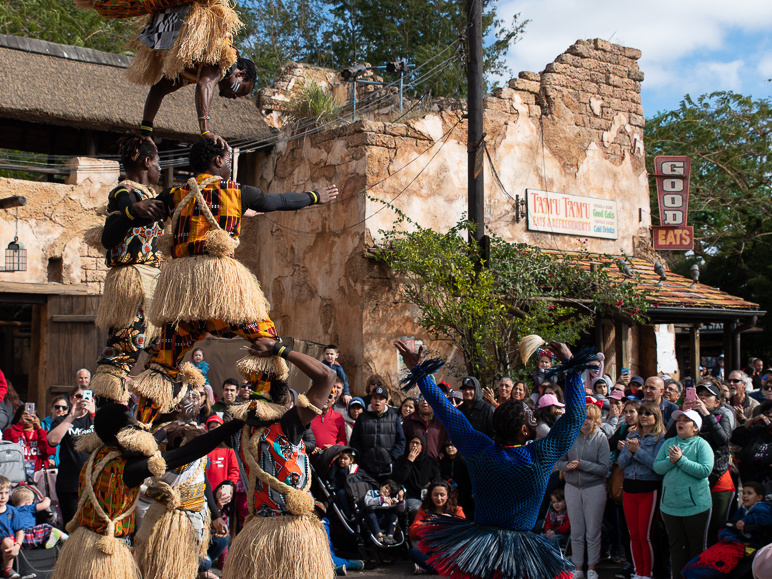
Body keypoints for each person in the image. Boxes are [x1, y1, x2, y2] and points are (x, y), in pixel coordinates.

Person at [130, 138, 338, 420]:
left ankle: (141, 426)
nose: (229, 166)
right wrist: (316, 196)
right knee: (266, 340)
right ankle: (262, 413)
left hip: (184, 297)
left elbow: (143, 211)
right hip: (222, 291)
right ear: (217, 161)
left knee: (162, 362)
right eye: (228, 160)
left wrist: (126, 209)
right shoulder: (236, 192)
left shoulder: (175, 194)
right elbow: (281, 201)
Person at [395, 339, 589, 579]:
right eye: (530, 417)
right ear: (525, 432)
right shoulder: (539, 455)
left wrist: (420, 372)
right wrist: (571, 365)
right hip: (521, 554)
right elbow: (576, 416)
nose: (534, 417)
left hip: (480, 549)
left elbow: (445, 411)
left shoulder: (480, 450)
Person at [51, 400, 243, 579]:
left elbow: (134, 449)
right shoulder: (126, 468)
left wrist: (164, 431)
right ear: (125, 432)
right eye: (132, 424)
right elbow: (186, 454)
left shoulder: (98, 454)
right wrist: (236, 423)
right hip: (103, 553)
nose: (137, 427)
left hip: (81, 545)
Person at [222, 337, 337, 579]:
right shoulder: (240, 429)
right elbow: (326, 377)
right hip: (261, 535)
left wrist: (279, 349)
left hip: (288, 534)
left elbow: (327, 377)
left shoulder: (286, 425)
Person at [90, 134, 165, 406]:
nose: (161, 168)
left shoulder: (155, 197)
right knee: (121, 352)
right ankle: (110, 422)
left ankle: (149, 419)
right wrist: (132, 211)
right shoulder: (123, 191)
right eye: (158, 161)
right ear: (146, 162)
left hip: (153, 286)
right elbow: (121, 209)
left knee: (166, 353)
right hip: (131, 284)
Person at [653, 409, 714, 579]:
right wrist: (670, 461)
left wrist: (681, 460)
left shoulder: (701, 444)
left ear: (695, 428)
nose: (680, 422)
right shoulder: (669, 443)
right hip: (670, 506)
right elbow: (657, 467)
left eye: (685, 420)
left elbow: (705, 470)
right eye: (679, 419)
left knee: (696, 548)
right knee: (676, 547)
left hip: (696, 507)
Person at [557, 403, 610, 579]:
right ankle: (578, 567)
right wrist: (567, 465)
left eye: (588, 418)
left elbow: (604, 469)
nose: (584, 421)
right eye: (582, 417)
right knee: (577, 530)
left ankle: (592, 567)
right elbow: (560, 462)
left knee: (593, 531)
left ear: (595, 421)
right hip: (572, 487)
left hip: (594, 488)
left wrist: (581, 464)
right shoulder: (570, 437)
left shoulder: (601, 438)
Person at [682, 481, 772, 579]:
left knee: (714, 562)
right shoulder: (743, 508)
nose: (745, 496)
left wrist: (745, 521)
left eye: (749, 493)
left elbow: (763, 519)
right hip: (734, 540)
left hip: (747, 544)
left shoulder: (762, 508)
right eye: (744, 493)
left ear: (759, 497)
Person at [616, 401, 666, 579]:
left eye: (648, 413)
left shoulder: (661, 439)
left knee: (645, 535)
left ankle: (648, 573)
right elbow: (621, 463)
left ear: (656, 417)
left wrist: (637, 451)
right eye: (642, 413)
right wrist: (629, 450)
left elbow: (657, 466)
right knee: (633, 535)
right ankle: (638, 572)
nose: (644, 416)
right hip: (629, 488)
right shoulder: (633, 435)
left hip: (649, 488)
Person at [686, 378, 734, 544]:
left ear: (718, 401)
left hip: (717, 476)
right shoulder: (689, 416)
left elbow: (723, 440)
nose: (703, 398)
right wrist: (684, 411)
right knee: (695, 528)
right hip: (693, 477)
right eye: (700, 394)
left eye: (708, 395)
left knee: (716, 526)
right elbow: (669, 437)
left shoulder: (722, 416)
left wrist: (706, 414)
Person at [46, 386, 96, 525]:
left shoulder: (95, 419)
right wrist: (71, 416)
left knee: (93, 527)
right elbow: (52, 440)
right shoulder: (62, 420)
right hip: (69, 484)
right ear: (71, 399)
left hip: (93, 482)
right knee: (72, 527)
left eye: (86, 396)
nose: (81, 400)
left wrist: (93, 413)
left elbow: (106, 440)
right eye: (78, 397)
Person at [409, 480, 465, 574]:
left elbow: (465, 532)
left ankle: (430, 568)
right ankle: (445, 569)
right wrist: (425, 524)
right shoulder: (424, 510)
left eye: (442, 495)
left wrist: (452, 522)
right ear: (430, 496)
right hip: (432, 551)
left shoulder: (457, 510)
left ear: (448, 496)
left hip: (450, 550)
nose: (439, 498)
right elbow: (412, 533)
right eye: (435, 495)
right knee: (414, 552)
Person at [350, 385, 405, 480]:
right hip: (366, 468)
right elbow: (354, 441)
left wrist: (392, 458)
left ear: (386, 401)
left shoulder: (394, 418)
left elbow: (401, 441)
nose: (377, 401)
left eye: (381, 398)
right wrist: (362, 457)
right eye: (375, 398)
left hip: (388, 469)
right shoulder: (362, 418)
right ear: (371, 400)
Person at [392, 434, 440, 517]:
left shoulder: (429, 462)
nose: (414, 445)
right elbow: (398, 479)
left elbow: (437, 478)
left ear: (423, 446)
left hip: (428, 496)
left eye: (417, 443)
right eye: (412, 442)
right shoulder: (401, 460)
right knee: (417, 508)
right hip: (410, 496)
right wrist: (409, 462)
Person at [729, 400, 772, 484]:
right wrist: (750, 421)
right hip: (749, 483)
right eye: (768, 412)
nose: (770, 415)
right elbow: (735, 438)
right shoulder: (756, 431)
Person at [402, 394, 447, 465]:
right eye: (421, 400)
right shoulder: (409, 420)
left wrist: (441, 456)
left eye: (428, 400)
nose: (425, 402)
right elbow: (403, 442)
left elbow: (446, 442)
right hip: (414, 464)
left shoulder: (441, 421)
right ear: (418, 403)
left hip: (436, 464)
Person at [363, 479, 405, 545]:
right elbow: (367, 502)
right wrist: (381, 500)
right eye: (386, 488)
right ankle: (379, 536)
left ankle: (390, 537)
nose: (386, 491)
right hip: (373, 520)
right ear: (381, 486)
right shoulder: (372, 493)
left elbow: (401, 510)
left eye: (389, 491)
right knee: (370, 514)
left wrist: (399, 500)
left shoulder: (389, 499)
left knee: (393, 516)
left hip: (383, 520)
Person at [0, 475, 24, 579]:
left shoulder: (12, 511)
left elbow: (19, 531)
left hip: (7, 543)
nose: (3, 497)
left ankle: (8, 570)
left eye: (6, 493)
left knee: (8, 541)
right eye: (0, 493)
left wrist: (17, 546)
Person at [310, 389, 347, 454]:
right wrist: (310, 447)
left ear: (333, 401)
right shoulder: (310, 415)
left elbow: (343, 440)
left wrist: (334, 448)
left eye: (329, 397)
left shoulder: (338, 417)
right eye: (324, 396)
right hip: (310, 457)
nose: (326, 399)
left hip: (330, 458)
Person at [41, 395, 69, 467]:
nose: (60, 409)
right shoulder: (42, 425)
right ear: (51, 409)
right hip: (48, 465)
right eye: (57, 407)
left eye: (64, 408)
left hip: (65, 466)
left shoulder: (72, 425)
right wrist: (46, 460)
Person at [541, 487, 570, 552]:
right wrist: (548, 530)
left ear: (565, 502)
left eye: (559, 501)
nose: (556, 504)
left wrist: (555, 531)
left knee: (553, 538)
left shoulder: (567, 513)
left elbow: (566, 527)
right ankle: (543, 554)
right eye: (554, 502)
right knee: (541, 536)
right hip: (552, 532)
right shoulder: (552, 512)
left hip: (562, 534)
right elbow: (547, 523)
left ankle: (553, 554)